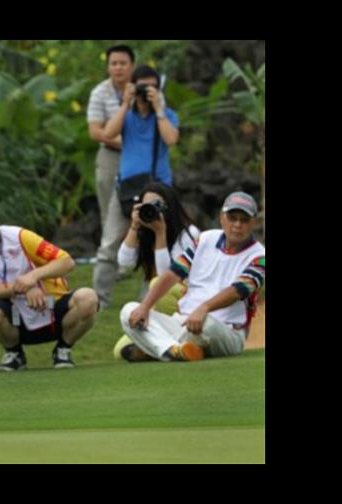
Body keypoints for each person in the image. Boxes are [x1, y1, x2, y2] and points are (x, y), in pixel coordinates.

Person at [119, 191, 265, 362]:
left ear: (254, 223)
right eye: (232, 218)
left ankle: (156, 348)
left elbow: (237, 291)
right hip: (183, 322)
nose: (237, 224)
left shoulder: (260, 256)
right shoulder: (204, 239)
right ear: (222, 218)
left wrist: (204, 308)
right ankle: (174, 350)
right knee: (129, 311)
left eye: (244, 220)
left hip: (225, 330)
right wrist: (145, 306)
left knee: (207, 325)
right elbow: (173, 273)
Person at [0, 203, 99, 371]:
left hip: (52, 305)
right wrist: (26, 288)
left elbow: (67, 262)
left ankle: (63, 350)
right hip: (15, 316)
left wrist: (33, 277)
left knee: (88, 298)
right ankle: (15, 354)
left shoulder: (19, 237)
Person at [93, 64, 179, 309]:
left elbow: (171, 139)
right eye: (142, 86)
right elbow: (108, 133)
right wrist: (125, 103)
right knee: (109, 244)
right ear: (132, 86)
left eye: (152, 86)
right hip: (126, 190)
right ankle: (98, 301)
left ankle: (148, 300)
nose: (146, 91)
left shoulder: (166, 114)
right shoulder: (127, 115)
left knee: (156, 243)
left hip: (158, 189)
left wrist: (159, 109)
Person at [111, 182, 200, 360]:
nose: (152, 209)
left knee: (156, 283)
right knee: (120, 350)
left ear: (170, 206)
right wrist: (134, 226)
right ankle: (174, 348)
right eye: (147, 205)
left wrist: (161, 234)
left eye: (157, 205)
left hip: (182, 300)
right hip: (157, 303)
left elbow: (166, 276)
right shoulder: (144, 232)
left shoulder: (189, 233)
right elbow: (124, 263)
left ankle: (159, 346)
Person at [86, 45, 134, 233]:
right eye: (114, 63)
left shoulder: (141, 89)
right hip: (110, 155)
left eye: (123, 63)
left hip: (139, 157)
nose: (118, 68)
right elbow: (94, 132)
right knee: (108, 210)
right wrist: (122, 141)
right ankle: (110, 249)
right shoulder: (99, 92)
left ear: (132, 65)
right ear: (108, 67)